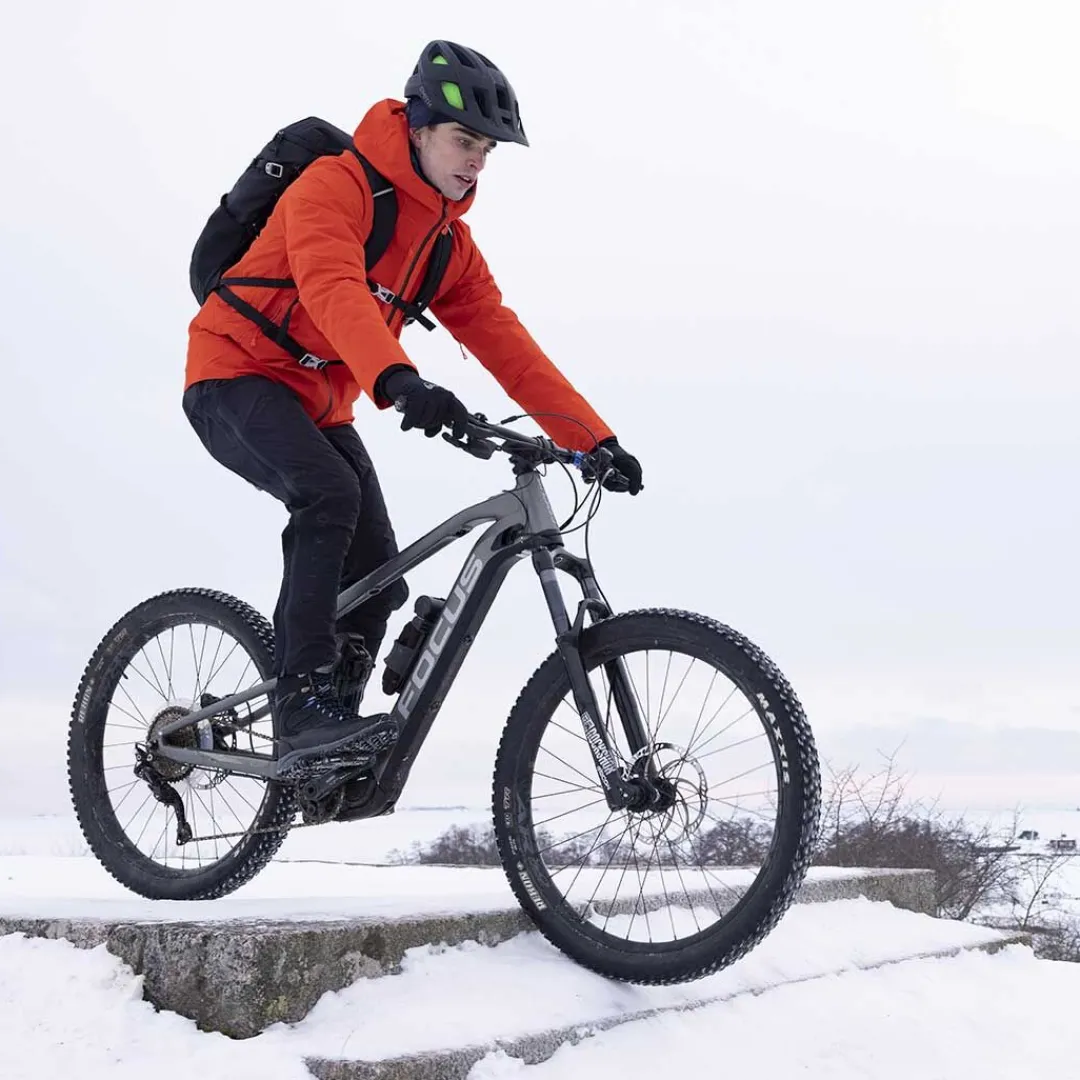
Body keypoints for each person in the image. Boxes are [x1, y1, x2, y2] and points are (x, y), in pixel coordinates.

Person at [181, 40, 643, 770]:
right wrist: (399, 380)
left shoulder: (448, 246)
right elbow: (333, 288)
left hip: (320, 403)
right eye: (464, 140)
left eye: (487, 150)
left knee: (379, 577)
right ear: (418, 127)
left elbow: (508, 345)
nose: (476, 162)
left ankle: (335, 741)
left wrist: (594, 440)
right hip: (233, 373)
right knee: (327, 495)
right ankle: (299, 705)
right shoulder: (335, 186)